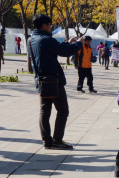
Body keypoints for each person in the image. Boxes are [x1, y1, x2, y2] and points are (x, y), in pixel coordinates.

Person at [28, 14, 82, 150]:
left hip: (40, 81)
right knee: (63, 110)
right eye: (50, 25)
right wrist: (78, 43)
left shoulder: (31, 40)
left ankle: (47, 141)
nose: (51, 28)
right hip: (54, 81)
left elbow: (53, 50)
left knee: (44, 111)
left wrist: (67, 43)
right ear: (44, 26)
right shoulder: (46, 39)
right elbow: (66, 52)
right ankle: (57, 140)